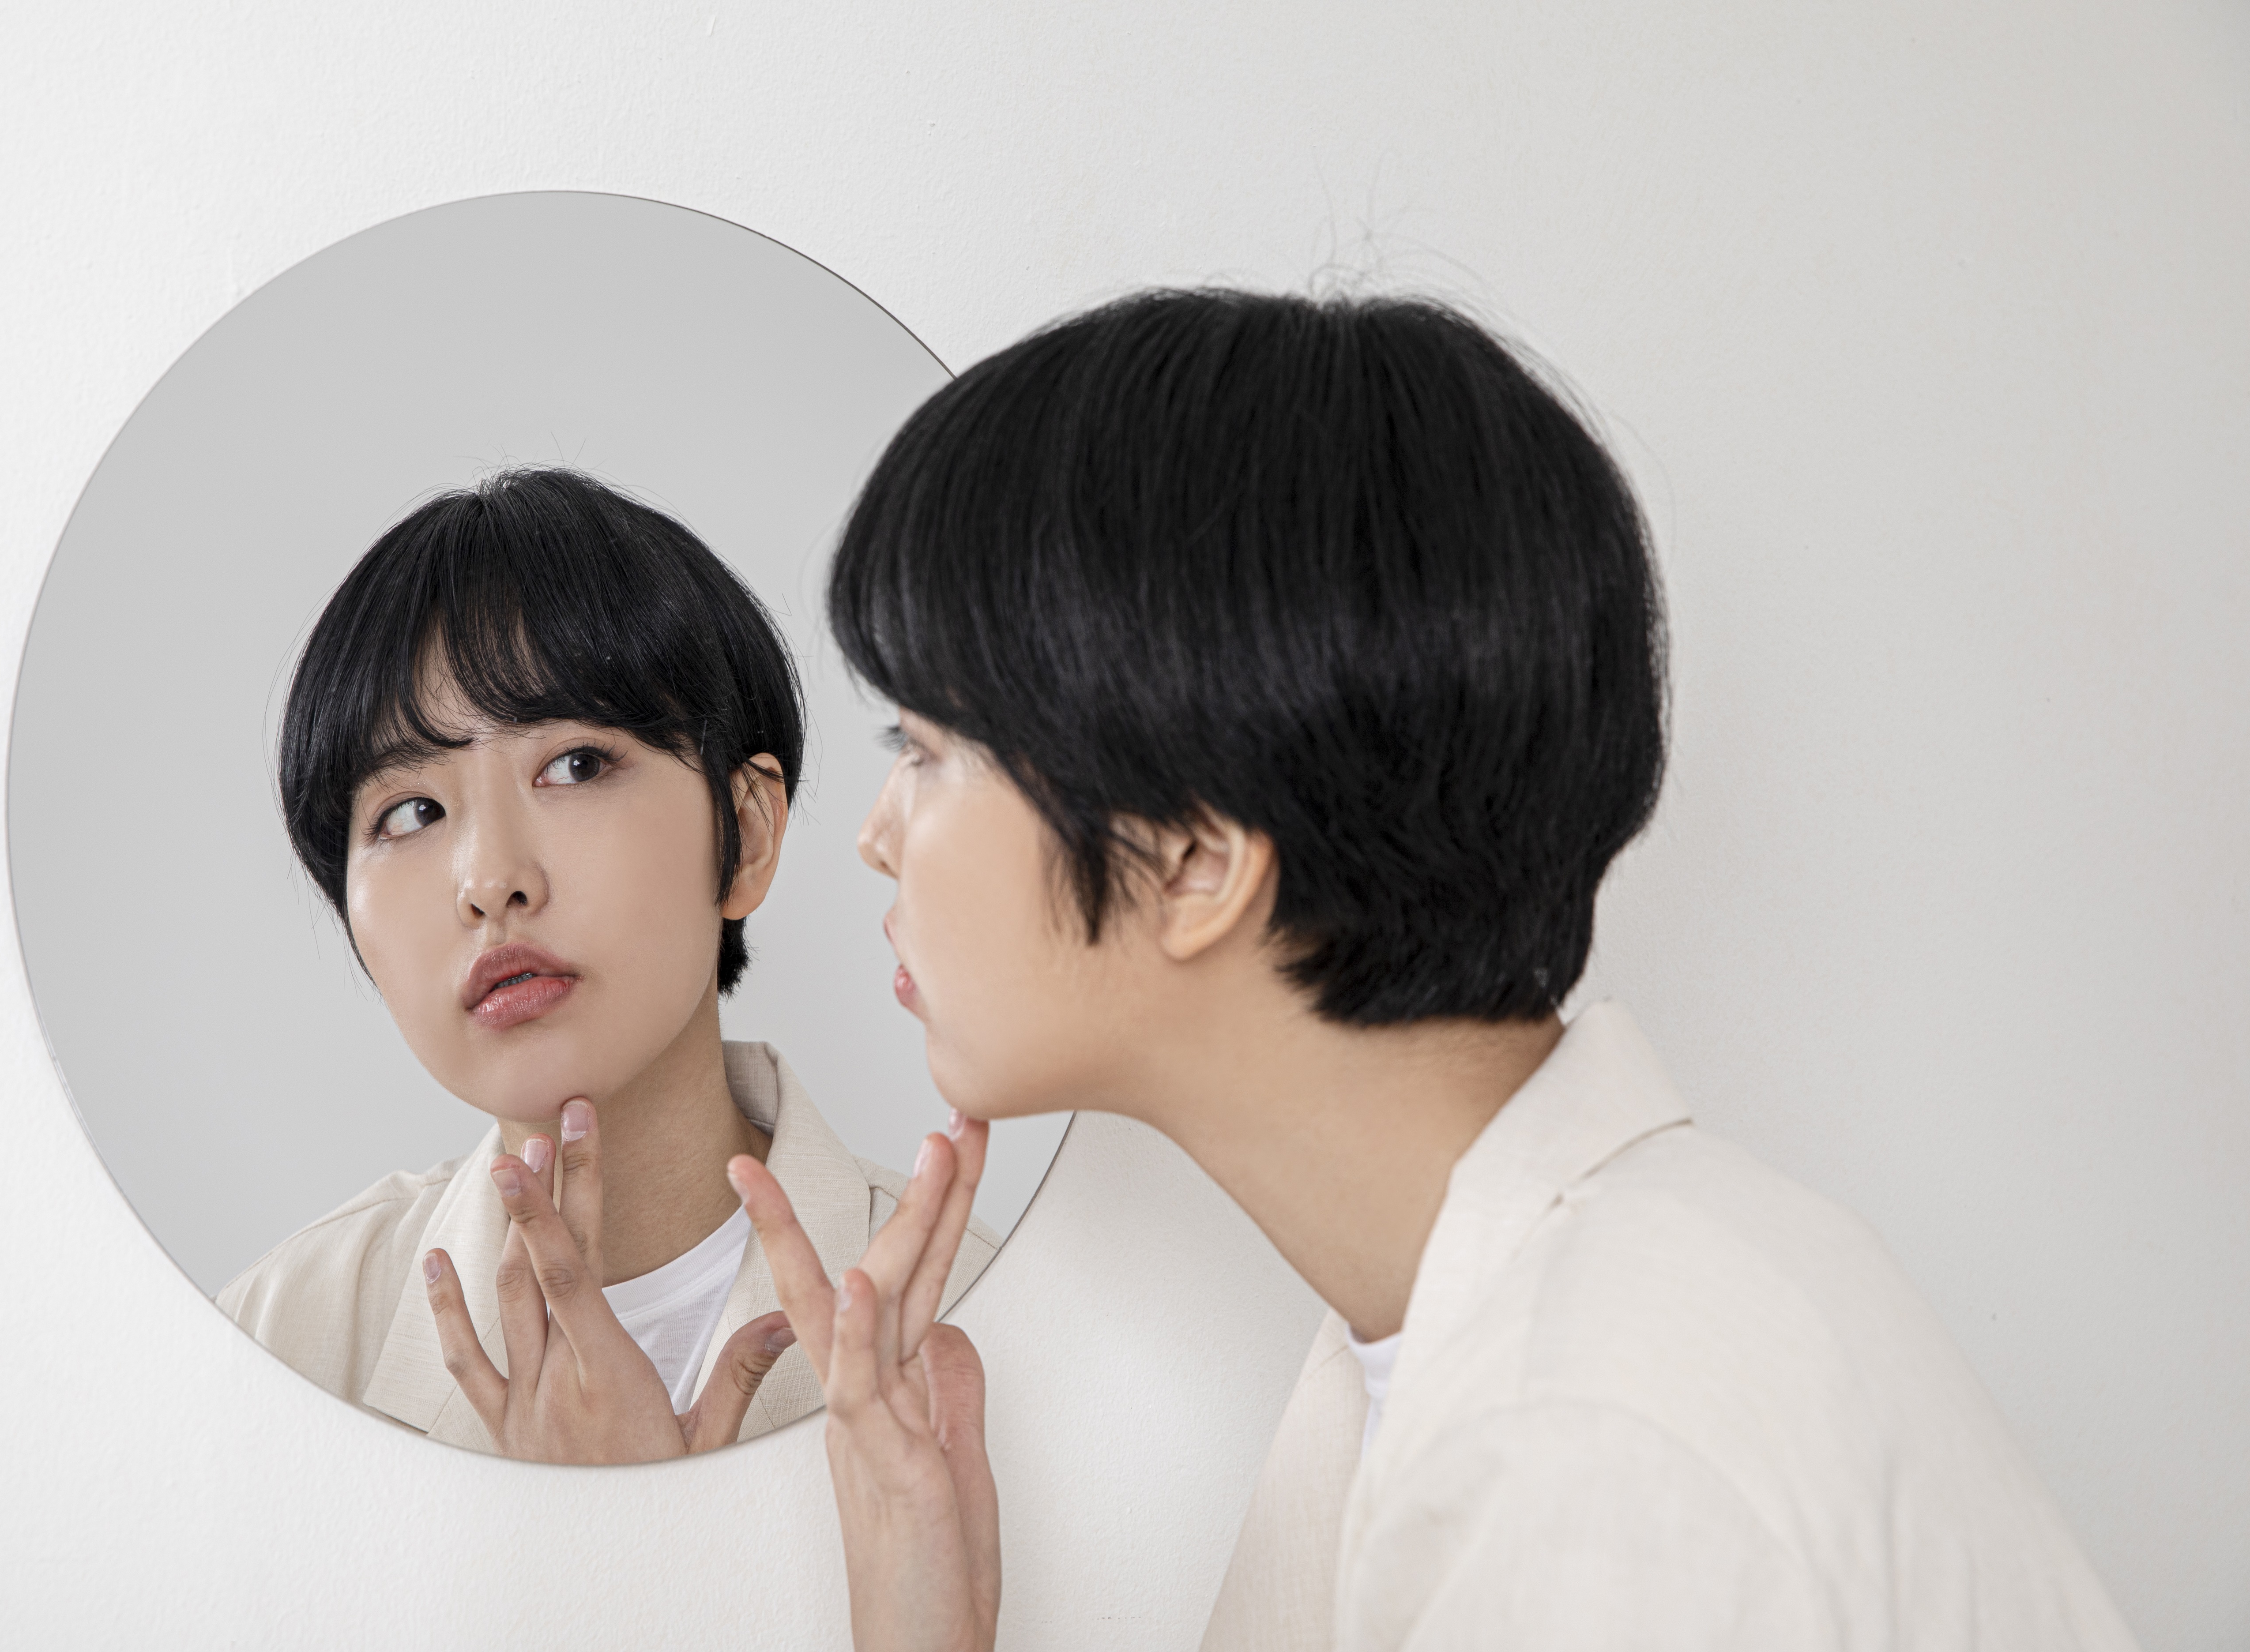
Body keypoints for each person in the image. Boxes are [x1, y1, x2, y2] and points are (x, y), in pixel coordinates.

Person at [707, 290, 2142, 1647]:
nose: (878, 839)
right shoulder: (1485, 1336)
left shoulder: (1598, 1443)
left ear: (1196, 859)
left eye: (927, 750)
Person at [215, 465, 997, 1462]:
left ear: (747, 835)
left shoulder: (995, 1315)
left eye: (574, 765)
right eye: (410, 813)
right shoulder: (271, 1348)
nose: (490, 881)